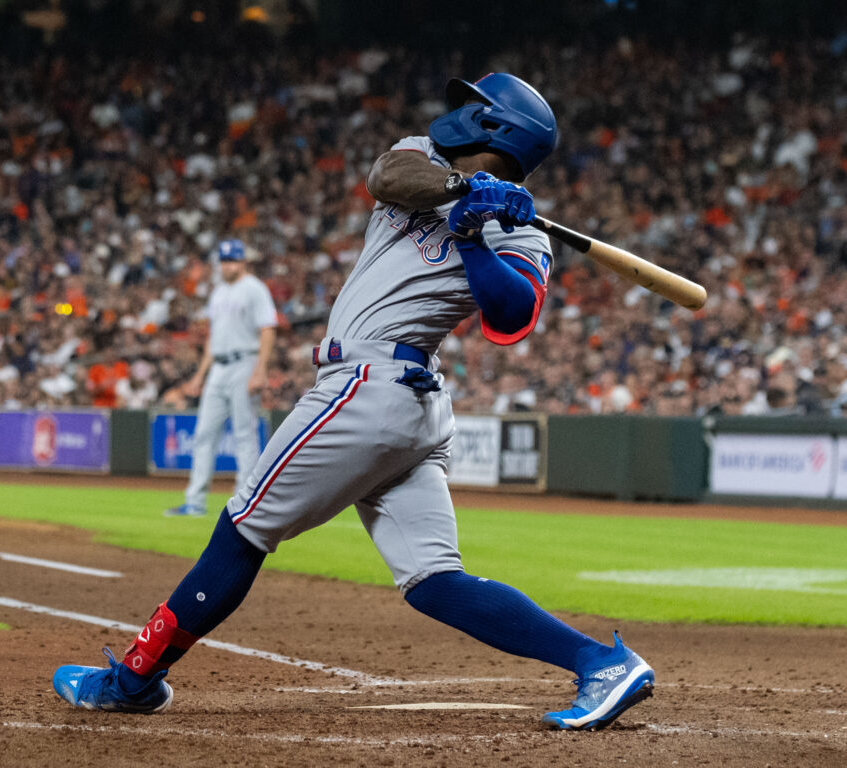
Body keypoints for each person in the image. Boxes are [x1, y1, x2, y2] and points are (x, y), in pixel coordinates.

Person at [53, 74, 655, 730]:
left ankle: (134, 679)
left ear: (494, 128)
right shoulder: (423, 159)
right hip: (395, 403)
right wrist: (464, 193)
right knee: (433, 582)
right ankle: (599, 663)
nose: (454, 112)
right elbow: (386, 177)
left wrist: (478, 234)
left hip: (373, 391)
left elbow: (510, 320)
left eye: (472, 106)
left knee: (244, 529)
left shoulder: (524, 235)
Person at [164, 239, 278, 517]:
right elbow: (214, 338)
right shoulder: (218, 292)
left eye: (233, 260)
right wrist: (200, 375)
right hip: (219, 366)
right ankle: (195, 502)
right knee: (204, 433)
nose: (228, 265)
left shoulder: (254, 289)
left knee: (244, 433)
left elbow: (267, 329)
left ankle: (245, 502)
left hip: (244, 362)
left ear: (243, 262)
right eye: (225, 261)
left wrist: (260, 369)